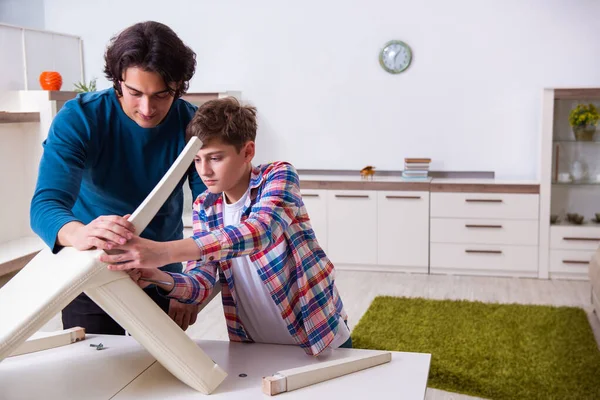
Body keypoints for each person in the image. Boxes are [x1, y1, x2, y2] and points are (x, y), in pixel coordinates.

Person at [102, 97, 351, 355]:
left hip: (319, 337)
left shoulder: (278, 176)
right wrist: (157, 276)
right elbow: (200, 283)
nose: (204, 171)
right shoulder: (205, 207)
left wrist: (162, 251)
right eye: (197, 160)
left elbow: (259, 232)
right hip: (254, 347)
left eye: (215, 158)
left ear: (247, 152)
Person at [30, 21, 206, 334]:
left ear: (179, 86)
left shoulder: (192, 124)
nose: (147, 109)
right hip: (90, 273)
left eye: (162, 95)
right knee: (93, 372)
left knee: (161, 379)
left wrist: (191, 282)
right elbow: (46, 205)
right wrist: (78, 234)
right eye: (135, 93)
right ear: (117, 82)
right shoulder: (79, 118)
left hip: (162, 275)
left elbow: (215, 213)